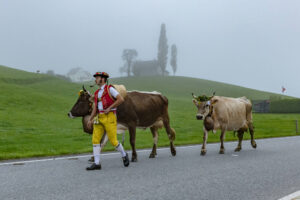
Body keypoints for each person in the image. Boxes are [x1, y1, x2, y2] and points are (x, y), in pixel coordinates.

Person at [86, 72, 129, 170]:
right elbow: (95, 108)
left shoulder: (110, 89)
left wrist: (110, 108)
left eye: (97, 78)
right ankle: (97, 163)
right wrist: (90, 119)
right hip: (99, 117)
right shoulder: (97, 93)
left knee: (113, 141)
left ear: (103, 79)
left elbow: (120, 99)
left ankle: (124, 154)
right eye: (96, 78)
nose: (95, 80)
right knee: (95, 140)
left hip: (110, 117)